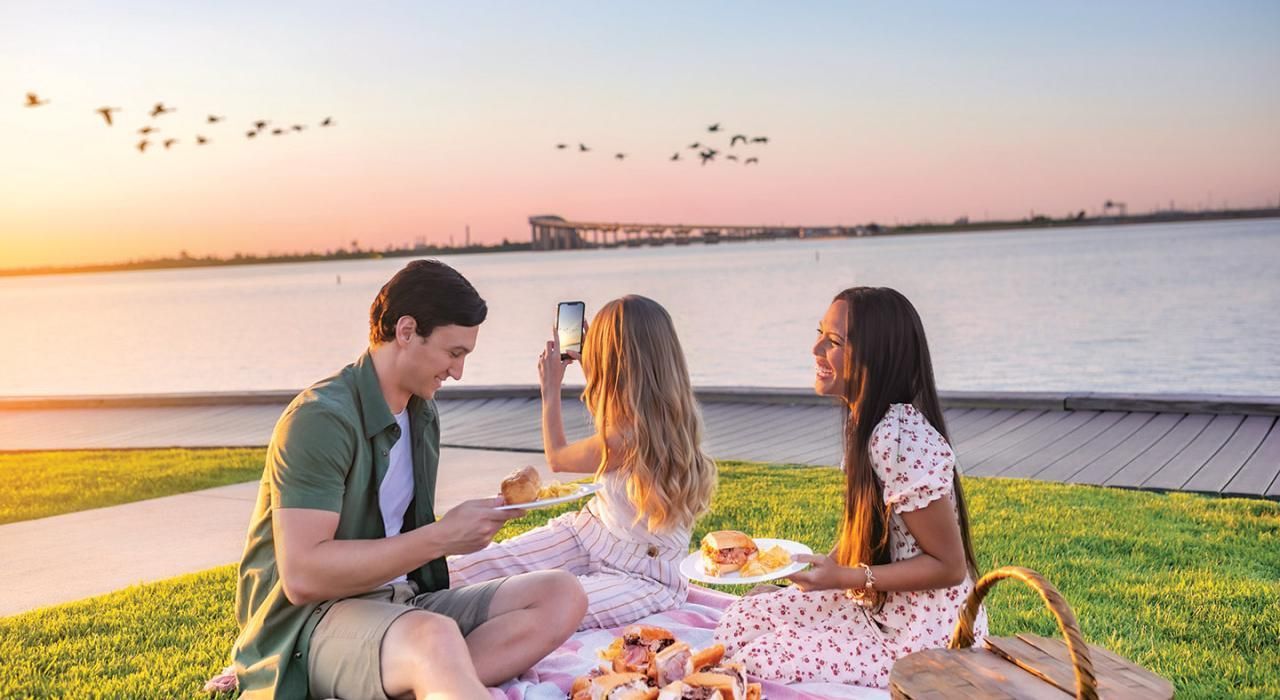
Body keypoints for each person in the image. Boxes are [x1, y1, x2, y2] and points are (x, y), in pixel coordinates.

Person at [230, 260, 587, 700]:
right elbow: (303, 577)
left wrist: (465, 527)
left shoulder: (422, 412)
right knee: (433, 638)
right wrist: (441, 537)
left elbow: (398, 533)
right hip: (312, 625)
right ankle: (434, 672)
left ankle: (436, 680)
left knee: (561, 593)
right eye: (453, 353)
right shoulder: (320, 419)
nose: (458, 372)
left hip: (401, 604)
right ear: (405, 331)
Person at [712, 286, 986, 688]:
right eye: (820, 332)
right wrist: (824, 567)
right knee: (740, 620)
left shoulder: (900, 440)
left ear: (876, 357)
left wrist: (844, 579)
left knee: (759, 658)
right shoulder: (868, 423)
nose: (816, 348)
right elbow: (873, 527)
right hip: (878, 608)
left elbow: (950, 567)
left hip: (924, 638)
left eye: (834, 341)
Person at [449, 295, 718, 629]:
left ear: (615, 361)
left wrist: (551, 389)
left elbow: (558, 458)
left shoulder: (628, 437)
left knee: (530, 611)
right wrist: (592, 368)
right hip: (589, 533)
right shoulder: (650, 416)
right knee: (467, 569)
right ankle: (393, 598)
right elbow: (619, 393)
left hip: (643, 575)